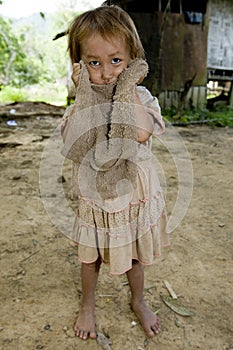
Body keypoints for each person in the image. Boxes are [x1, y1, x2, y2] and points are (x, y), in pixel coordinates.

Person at [61, 4, 170, 341]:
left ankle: (138, 299)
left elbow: (139, 132)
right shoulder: (82, 104)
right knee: (90, 255)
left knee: (134, 253)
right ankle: (88, 305)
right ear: (79, 65)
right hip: (97, 195)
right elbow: (73, 143)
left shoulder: (141, 97)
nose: (106, 72)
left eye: (116, 61)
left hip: (133, 193)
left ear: (133, 60)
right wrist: (84, 95)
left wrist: (126, 88)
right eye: (94, 62)